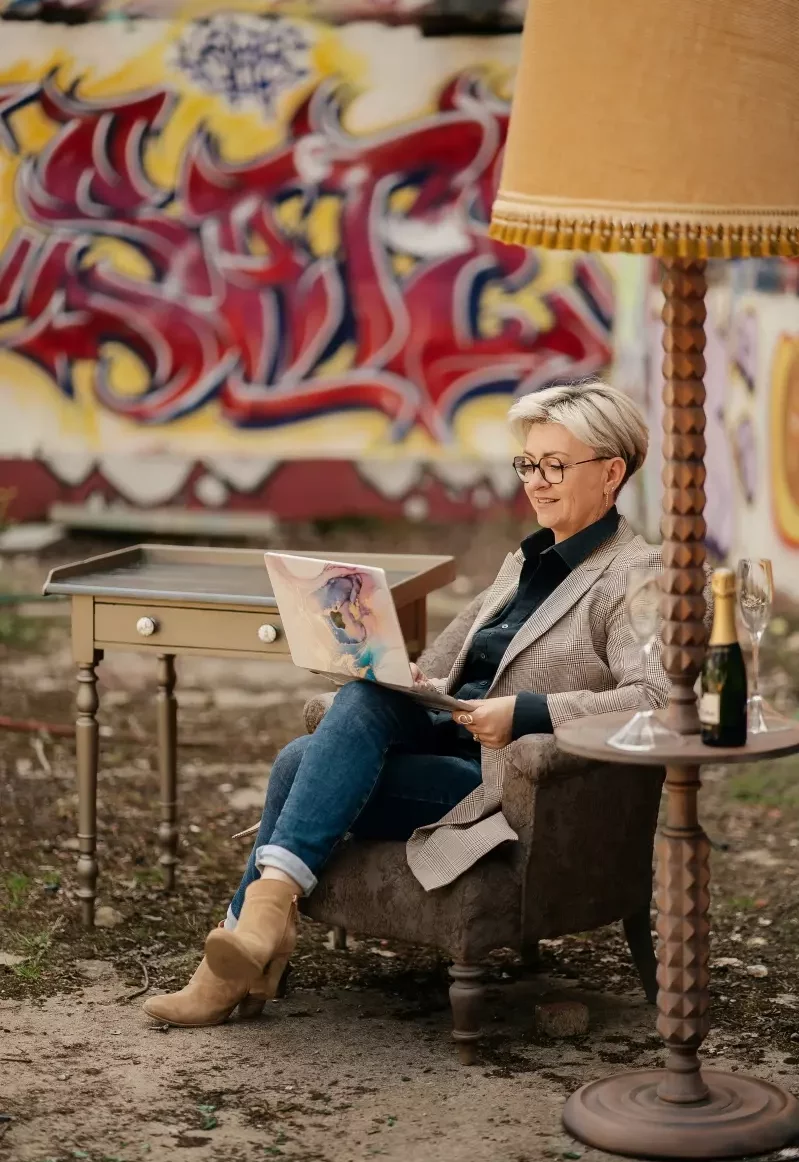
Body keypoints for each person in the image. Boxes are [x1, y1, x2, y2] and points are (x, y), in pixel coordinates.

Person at [143, 379, 668, 1027]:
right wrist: (388, 667)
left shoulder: (634, 577)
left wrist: (526, 713)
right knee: (353, 705)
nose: (535, 480)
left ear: (611, 473)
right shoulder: (526, 562)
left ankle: (251, 941)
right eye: (527, 464)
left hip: (508, 782)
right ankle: (260, 926)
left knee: (294, 763)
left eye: (554, 465)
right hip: (443, 744)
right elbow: (442, 671)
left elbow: (655, 698)